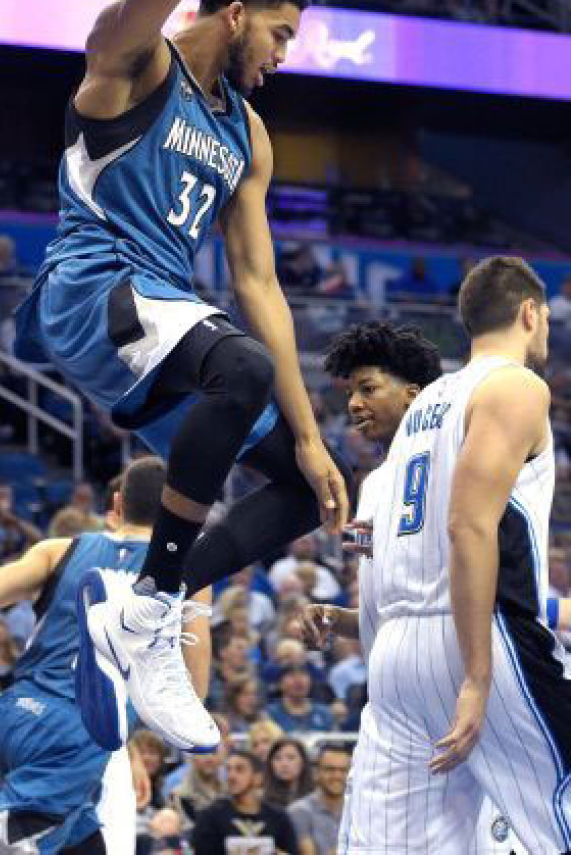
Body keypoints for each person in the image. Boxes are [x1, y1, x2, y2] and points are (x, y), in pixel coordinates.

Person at [13, 0, 348, 754]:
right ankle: (150, 608)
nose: (285, 56)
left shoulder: (247, 134)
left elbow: (258, 284)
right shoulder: (131, 55)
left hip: (167, 318)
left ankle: (141, 607)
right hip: (92, 291)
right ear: (235, 12)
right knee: (238, 366)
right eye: (282, 35)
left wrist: (306, 432)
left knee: (301, 485)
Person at [334, 257, 567, 852]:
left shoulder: (427, 403)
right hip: (478, 636)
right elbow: (469, 525)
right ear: (530, 313)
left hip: (394, 659)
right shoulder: (515, 385)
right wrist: (477, 673)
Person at [0, 455, 212, 854]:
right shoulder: (187, 570)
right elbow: (193, 690)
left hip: (14, 715)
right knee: (3, 846)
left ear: (117, 505)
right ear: (176, 515)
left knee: (80, 840)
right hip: (78, 735)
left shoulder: (58, 550)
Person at [191, 749, 298, 854]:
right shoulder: (210, 817)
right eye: (228, 770)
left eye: (240, 769)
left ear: (258, 778)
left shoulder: (278, 818)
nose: (231, 776)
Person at [288, 742, 352, 855]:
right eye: (330, 769)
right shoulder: (299, 811)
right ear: (316, 772)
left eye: (344, 770)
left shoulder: (361, 811)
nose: (337, 776)